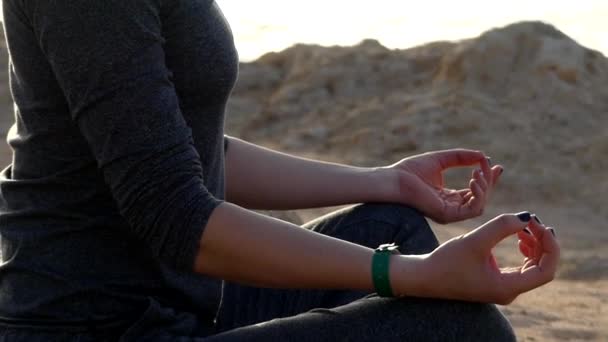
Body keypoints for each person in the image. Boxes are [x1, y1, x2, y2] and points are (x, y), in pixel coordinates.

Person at [0, 0, 558, 341]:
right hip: (89, 326)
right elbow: (174, 214)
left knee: (391, 223)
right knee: (463, 332)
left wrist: (385, 181)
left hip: (185, 304)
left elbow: (184, 151)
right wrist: (413, 273)